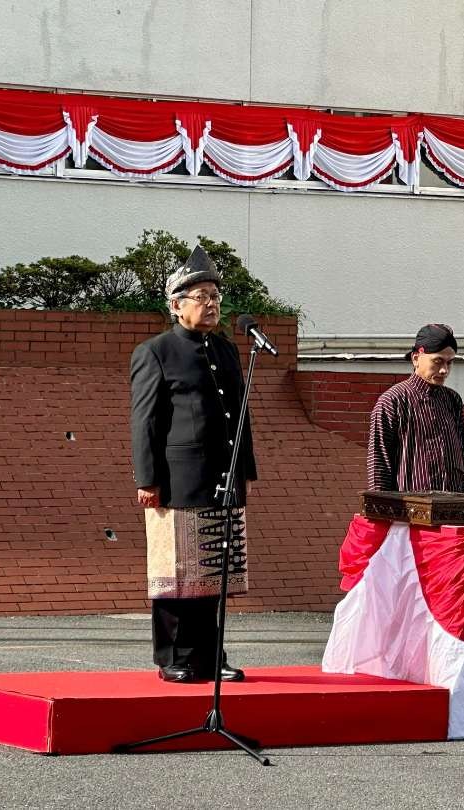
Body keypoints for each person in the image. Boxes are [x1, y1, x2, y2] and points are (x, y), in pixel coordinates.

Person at [130, 245, 257, 682]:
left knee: (214, 570)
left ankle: (211, 655)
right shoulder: (156, 352)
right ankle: (175, 658)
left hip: (223, 476)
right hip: (177, 479)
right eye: (200, 295)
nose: (211, 303)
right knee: (175, 572)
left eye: (215, 296)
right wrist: (147, 479)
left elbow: (239, 414)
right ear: (176, 305)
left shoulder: (225, 350)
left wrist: (244, 472)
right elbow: (145, 421)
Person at [367, 323, 464, 493]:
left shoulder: (452, 400)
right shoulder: (392, 401)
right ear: (416, 358)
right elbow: (379, 464)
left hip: (452, 509)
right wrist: (382, 514)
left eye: (450, 363)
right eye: (438, 361)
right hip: (409, 512)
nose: (444, 370)